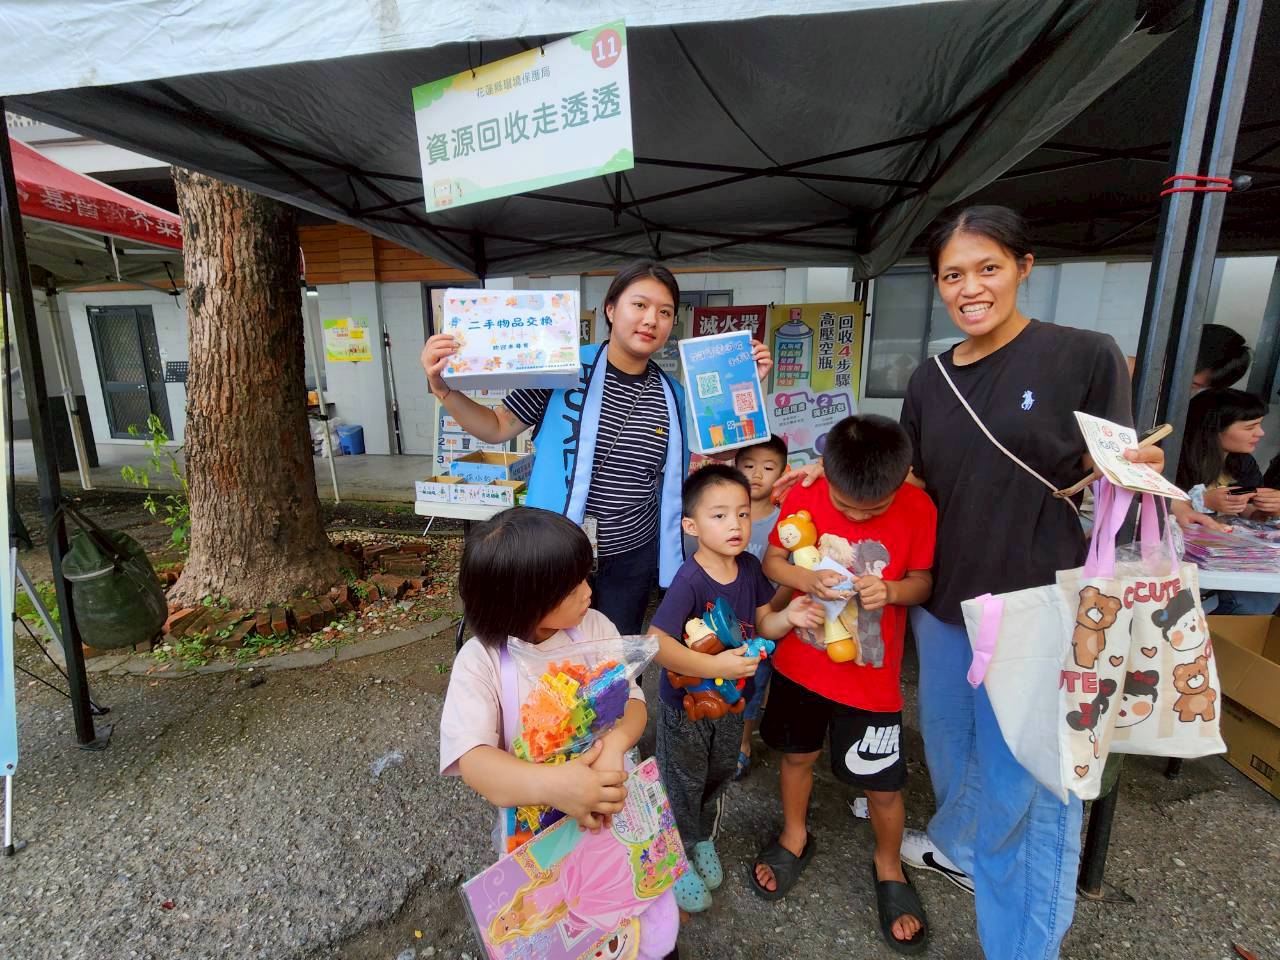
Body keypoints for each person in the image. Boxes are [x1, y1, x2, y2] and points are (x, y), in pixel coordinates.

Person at [775, 206, 1169, 959]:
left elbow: (1115, 462)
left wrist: (1137, 468)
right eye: (953, 275)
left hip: (1034, 605)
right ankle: (957, 847)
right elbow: (910, 477)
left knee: (1029, 788)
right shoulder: (930, 376)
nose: (970, 288)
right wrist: (826, 478)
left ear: (1025, 266)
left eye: (987, 268)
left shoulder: (1084, 353)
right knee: (955, 757)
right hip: (945, 605)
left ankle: (1024, 945)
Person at [421, 263, 771, 635]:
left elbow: (716, 452)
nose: (651, 319)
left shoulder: (673, 393)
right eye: (639, 305)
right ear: (611, 309)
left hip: (632, 556)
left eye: (664, 311)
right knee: (550, 652)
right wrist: (444, 389)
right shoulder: (561, 367)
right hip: (556, 552)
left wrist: (743, 389)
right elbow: (496, 428)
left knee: (614, 654)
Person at [438, 507, 678, 958]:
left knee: (637, 911)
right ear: (524, 599)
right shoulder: (481, 661)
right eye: (573, 586)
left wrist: (614, 748)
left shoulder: (596, 629)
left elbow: (632, 704)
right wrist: (557, 784)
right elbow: (474, 760)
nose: (590, 591)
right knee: (564, 923)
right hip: (539, 824)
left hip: (615, 798)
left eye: (588, 576)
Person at [751, 415, 936, 955]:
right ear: (824, 470)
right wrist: (805, 579)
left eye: (872, 510)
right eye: (846, 504)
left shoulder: (919, 509)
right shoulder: (808, 491)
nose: (856, 514)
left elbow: (924, 581)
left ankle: (888, 863)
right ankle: (794, 835)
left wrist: (894, 591)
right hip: (800, 666)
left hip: (871, 680)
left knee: (883, 785)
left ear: (903, 478)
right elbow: (774, 559)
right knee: (795, 757)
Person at [647, 464, 822, 914]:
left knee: (718, 772)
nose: (735, 525)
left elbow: (764, 622)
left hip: (731, 702)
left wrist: (791, 618)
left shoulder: (748, 568)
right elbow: (658, 644)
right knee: (681, 780)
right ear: (691, 525)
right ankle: (676, 856)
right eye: (720, 515)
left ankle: (701, 835)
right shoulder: (690, 579)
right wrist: (713, 662)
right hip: (685, 706)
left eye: (742, 515)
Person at [1174, 388, 1280, 615]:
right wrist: (1202, 502)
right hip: (1185, 559)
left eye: (1259, 424)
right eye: (1250, 427)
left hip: (1226, 558)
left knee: (1262, 597)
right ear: (1215, 429)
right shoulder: (1176, 457)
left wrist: (1269, 509)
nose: (1260, 433)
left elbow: (1250, 513)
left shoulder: (1243, 463)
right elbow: (1154, 504)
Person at [732, 434, 791, 780]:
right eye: (748, 465)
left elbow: (789, 577)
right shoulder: (727, 515)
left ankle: (742, 743)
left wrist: (767, 612)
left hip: (762, 622)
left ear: (783, 473)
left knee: (753, 685)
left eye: (768, 468)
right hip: (722, 619)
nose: (756, 474)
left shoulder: (786, 521)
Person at [1125, 322, 1251, 391]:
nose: (1175, 387)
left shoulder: (1163, 408)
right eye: (1181, 378)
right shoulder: (1112, 366)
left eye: (1193, 386)